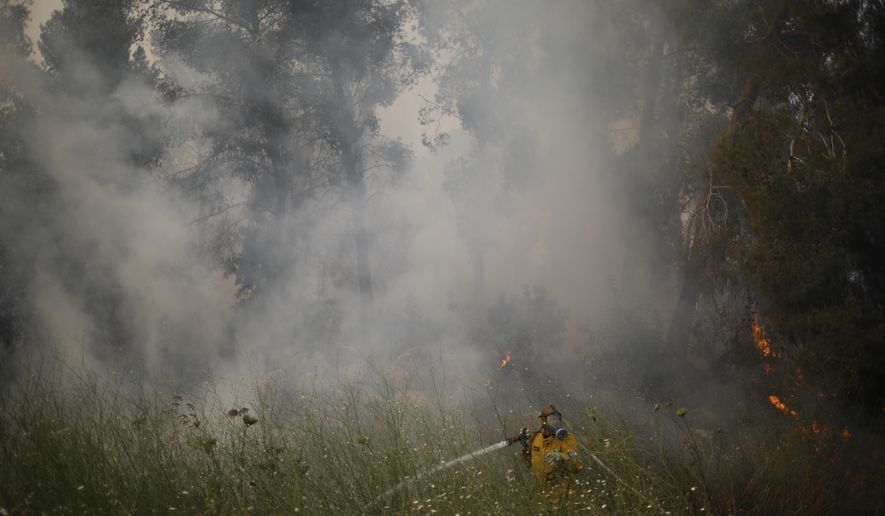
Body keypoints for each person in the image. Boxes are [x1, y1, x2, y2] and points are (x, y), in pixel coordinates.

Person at [520, 404, 583, 499]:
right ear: (543, 421)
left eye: (558, 419)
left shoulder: (566, 438)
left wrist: (562, 457)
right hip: (540, 496)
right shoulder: (536, 439)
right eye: (553, 419)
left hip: (562, 497)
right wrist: (525, 447)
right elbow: (528, 464)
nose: (556, 422)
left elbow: (577, 466)